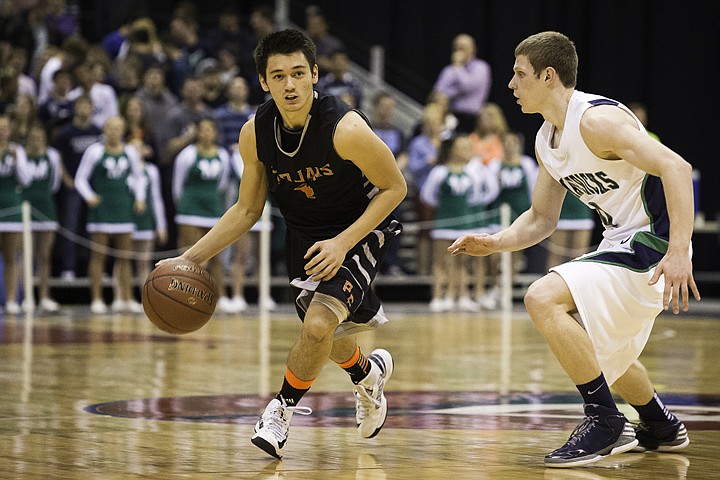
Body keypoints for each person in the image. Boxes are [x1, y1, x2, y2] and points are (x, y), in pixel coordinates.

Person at [449, 31, 699, 468]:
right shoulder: (547, 139)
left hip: (651, 243)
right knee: (600, 350)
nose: (510, 84)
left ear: (549, 76)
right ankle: (659, 424)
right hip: (621, 241)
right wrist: (496, 243)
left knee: (541, 297)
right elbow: (542, 218)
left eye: (518, 74)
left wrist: (679, 249)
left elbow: (676, 166)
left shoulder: (596, 121)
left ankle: (605, 420)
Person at [157, 29, 406, 459]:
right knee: (327, 335)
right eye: (278, 76)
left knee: (317, 326)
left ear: (314, 74)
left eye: (297, 74)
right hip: (304, 236)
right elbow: (246, 211)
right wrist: (186, 259)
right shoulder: (255, 132)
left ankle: (280, 412)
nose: (289, 85)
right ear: (263, 82)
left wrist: (343, 244)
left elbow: (394, 187)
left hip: (359, 230)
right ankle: (369, 375)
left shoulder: (345, 128)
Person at [75, 116, 146, 314]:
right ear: (105, 130)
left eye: (118, 128)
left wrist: (139, 198)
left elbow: (139, 177)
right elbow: (80, 178)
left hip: (123, 207)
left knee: (125, 255)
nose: (114, 131)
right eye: (110, 128)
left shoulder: (130, 151)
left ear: (123, 131)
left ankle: (126, 298)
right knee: (98, 256)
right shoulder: (94, 151)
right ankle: (97, 298)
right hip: (102, 209)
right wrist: (90, 197)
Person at [172, 117, 232, 312]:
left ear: (215, 133)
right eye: (202, 129)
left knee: (216, 257)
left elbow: (222, 184)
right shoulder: (187, 155)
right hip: (190, 209)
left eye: (210, 129)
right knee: (193, 256)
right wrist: (184, 206)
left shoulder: (223, 155)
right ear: (197, 132)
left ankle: (220, 296)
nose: (206, 133)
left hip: (213, 208)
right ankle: (188, 297)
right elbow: (177, 186)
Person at [51, 94, 103, 280]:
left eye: (87, 105)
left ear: (92, 108)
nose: (84, 109)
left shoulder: (97, 131)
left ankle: (96, 269)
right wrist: (65, 178)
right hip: (73, 186)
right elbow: (58, 158)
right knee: (70, 227)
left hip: (93, 187)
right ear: (75, 108)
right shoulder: (66, 132)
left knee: (95, 228)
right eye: (80, 105)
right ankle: (68, 268)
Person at [22, 124, 62, 312]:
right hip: (26, 208)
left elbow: (55, 183)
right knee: (26, 255)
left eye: (39, 138)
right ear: (28, 139)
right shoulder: (21, 155)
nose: (36, 141)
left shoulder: (52, 156)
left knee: (44, 256)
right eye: (33, 137)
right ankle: (25, 296)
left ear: (44, 139)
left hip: (46, 208)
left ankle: (44, 296)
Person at [0, 115, 31, 314]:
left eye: (4, 127)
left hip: (11, 208)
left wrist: (17, 161)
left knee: (11, 256)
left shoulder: (16, 150)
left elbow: (26, 180)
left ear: (10, 130)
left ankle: (11, 300)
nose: (1, 131)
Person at [432, 33, 491, 133]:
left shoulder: (481, 67)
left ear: (473, 49)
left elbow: (468, 86)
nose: (459, 51)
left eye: (462, 47)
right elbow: (438, 92)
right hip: (450, 115)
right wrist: (456, 90)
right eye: (457, 47)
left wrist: (458, 67)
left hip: (471, 118)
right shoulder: (449, 69)